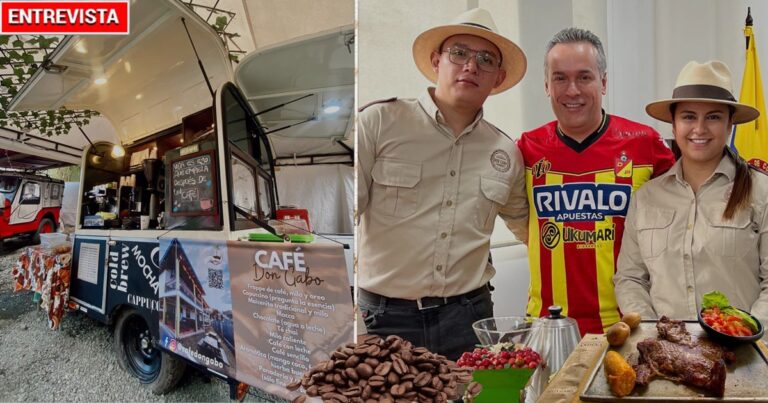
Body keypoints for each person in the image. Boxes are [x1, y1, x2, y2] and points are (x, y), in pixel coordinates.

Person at [356, 8, 529, 360]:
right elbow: (342, 224)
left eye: (486, 59)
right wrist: (350, 320)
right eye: (459, 53)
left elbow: (529, 228)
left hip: (469, 319)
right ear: (437, 61)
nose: (471, 66)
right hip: (383, 321)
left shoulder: (506, 152)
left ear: (498, 77)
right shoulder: (378, 123)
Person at [517, 28, 676, 336]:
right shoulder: (525, 149)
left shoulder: (645, 144)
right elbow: (512, 214)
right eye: (560, 78)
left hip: (627, 324)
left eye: (584, 77)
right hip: (546, 326)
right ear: (547, 85)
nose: (572, 90)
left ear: (603, 82)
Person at [615, 60, 768, 325]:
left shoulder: (761, 192)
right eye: (688, 116)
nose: (699, 129)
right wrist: (653, 334)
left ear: (730, 124)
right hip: (665, 358)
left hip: (743, 357)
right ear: (673, 125)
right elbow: (630, 278)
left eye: (713, 117)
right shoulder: (646, 198)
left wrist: (744, 334)